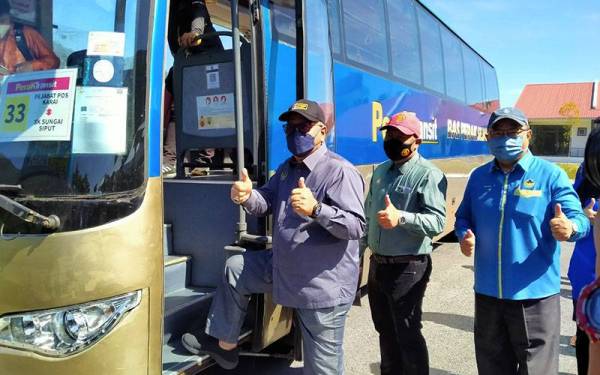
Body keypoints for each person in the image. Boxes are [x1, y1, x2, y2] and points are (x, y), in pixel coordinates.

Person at [181, 99, 366, 374]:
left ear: (322, 130)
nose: (295, 133)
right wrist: (246, 196)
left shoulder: (340, 171)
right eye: (289, 127)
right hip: (284, 266)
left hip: (321, 285)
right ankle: (225, 344)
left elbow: (355, 226)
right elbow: (265, 200)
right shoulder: (287, 168)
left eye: (303, 127)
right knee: (237, 268)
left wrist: (316, 209)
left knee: (321, 369)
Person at [455, 107, 590, 375]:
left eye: (513, 131)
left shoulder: (550, 175)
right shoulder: (479, 177)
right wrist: (464, 235)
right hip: (488, 297)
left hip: (536, 299)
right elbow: (463, 218)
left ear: (528, 135)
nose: (505, 138)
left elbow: (581, 218)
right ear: (488, 137)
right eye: (498, 132)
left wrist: (570, 227)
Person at [362, 111, 447, 375]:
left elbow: (437, 222)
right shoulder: (380, 172)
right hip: (379, 265)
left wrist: (401, 218)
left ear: (416, 141)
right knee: (385, 330)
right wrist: (357, 251)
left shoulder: (428, 175)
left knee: (407, 332)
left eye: (400, 136)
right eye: (390, 135)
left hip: (408, 266)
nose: (393, 140)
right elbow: (368, 215)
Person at [163, 0, 224, 176]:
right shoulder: (167, 8)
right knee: (177, 103)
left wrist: (195, 33)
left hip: (208, 60)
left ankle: (202, 161)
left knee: (206, 108)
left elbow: (199, 11)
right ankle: (171, 159)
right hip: (186, 61)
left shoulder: (190, 4)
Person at [568, 157, 599, 374]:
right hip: (585, 275)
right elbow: (566, 204)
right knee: (586, 339)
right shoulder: (588, 170)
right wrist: (581, 214)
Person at [0, 0, 59, 74]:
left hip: (26, 84)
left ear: (8, 18)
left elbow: (53, 61)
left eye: (2, 21)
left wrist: (32, 66)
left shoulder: (25, 33)